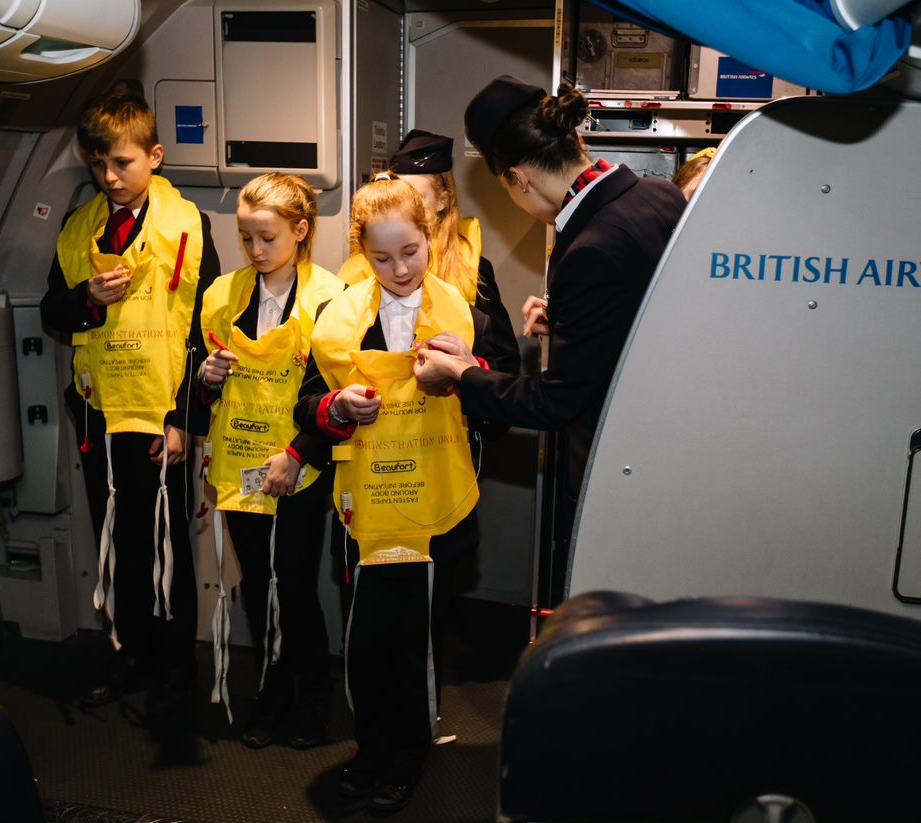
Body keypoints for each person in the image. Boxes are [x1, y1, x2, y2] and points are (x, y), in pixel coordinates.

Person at [414, 76, 686, 607]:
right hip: (672, 451)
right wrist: (568, 325)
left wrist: (464, 374)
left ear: (517, 178)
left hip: (624, 474)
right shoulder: (656, 195)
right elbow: (646, 318)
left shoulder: (590, 247)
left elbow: (559, 401)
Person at [293, 177, 501, 814]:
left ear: (430, 237)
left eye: (409, 251)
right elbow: (304, 409)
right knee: (366, 641)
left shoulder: (471, 317)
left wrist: (471, 372)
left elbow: (502, 412)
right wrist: (336, 407)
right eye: (381, 258)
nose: (399, 268)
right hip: (366, 510)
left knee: (414, 644)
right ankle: (372, 749)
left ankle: (406, 758)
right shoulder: (338, 323)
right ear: (361, 252)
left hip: (434, 510)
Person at [40, 81, 220, 714]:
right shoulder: (77, 225)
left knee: (168, 542)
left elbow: (207, 328)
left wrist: (184, 423)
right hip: (99, 410)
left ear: (155, 156)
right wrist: (89, 298)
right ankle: (131, 655)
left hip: (161, 414)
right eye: (98, 164)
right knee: (118, 543)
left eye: (121, 162)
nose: (110, 177)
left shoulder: (189, 226)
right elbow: (52, 310)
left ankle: (176, 668)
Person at [193, 173, 344, 749]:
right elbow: (203, 387)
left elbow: (332, 392)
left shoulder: (329, 298)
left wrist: (297, 453)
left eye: (268, 238)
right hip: (240, 463)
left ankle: (312, 700)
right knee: (256, 583)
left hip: (298, 465)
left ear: (301, 231)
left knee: (296, 585)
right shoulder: (225, 295)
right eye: (247, 238)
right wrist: (206, 379)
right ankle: (272, 692)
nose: (256, 251)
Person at [338, 129, 519, 376]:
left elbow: (504, 364)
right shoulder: (359, 267)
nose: (403, 206)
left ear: (443, 200)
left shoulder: (471, 268)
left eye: (415, 197)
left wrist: (467, 368)